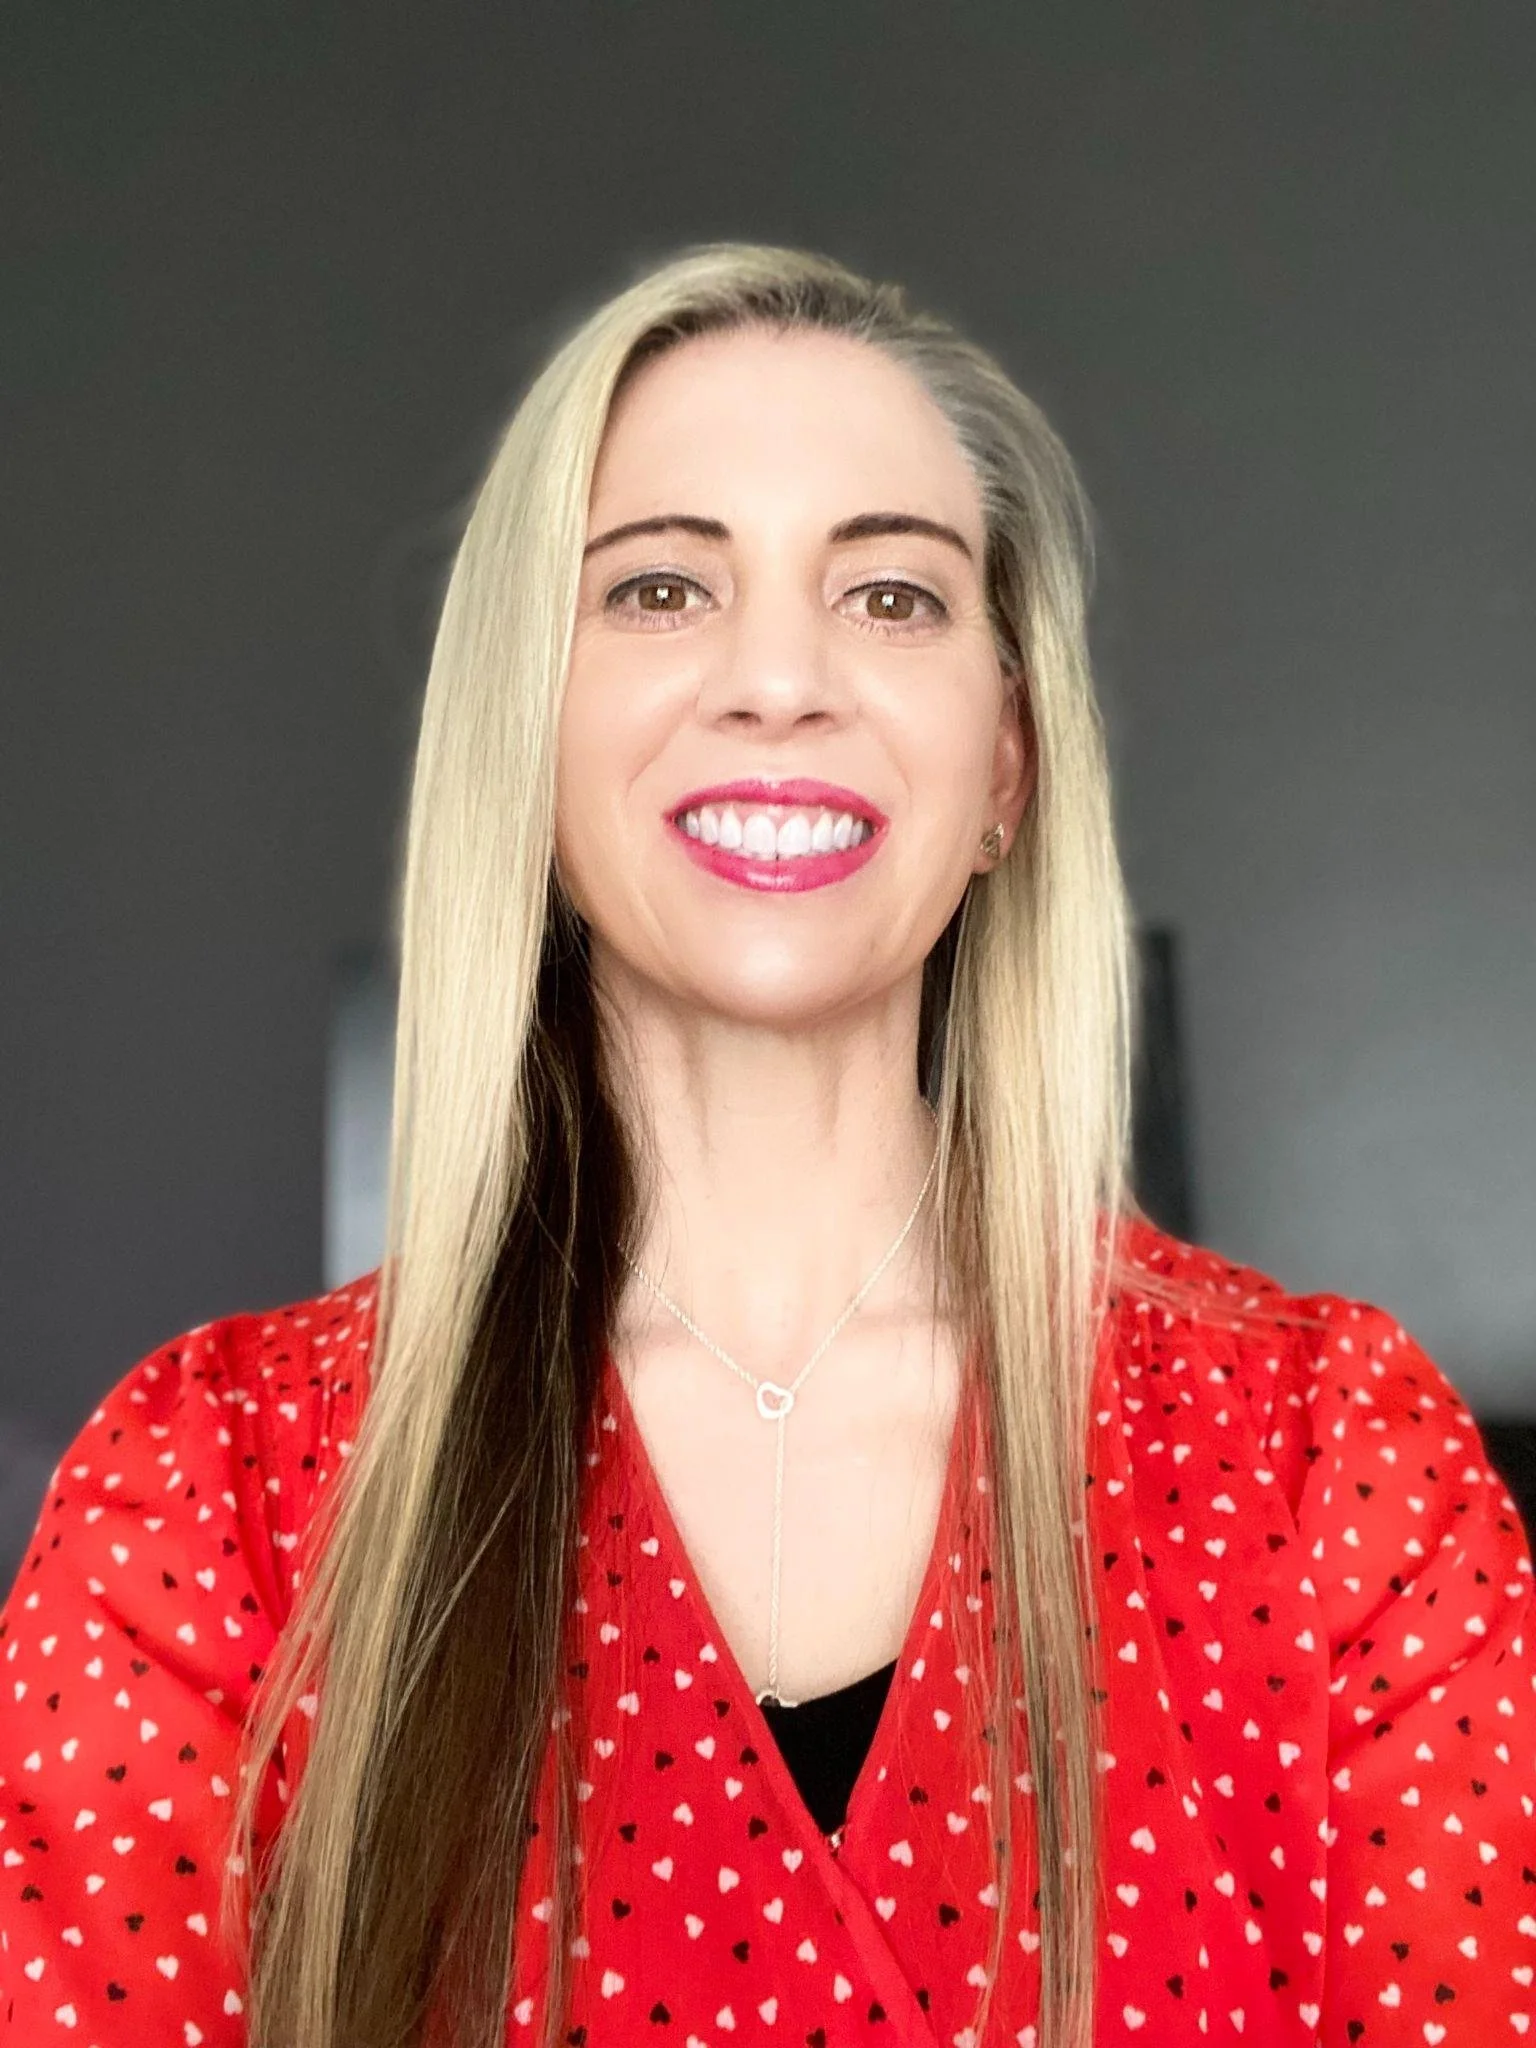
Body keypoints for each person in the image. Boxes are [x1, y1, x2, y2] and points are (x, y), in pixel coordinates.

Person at [2, 243, 1531, 2048]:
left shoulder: (1331, 1457)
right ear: (524, 731)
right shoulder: (211, 1492)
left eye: (892, 594)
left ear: (1008, 766)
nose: (783, 679)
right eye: (662, 588)